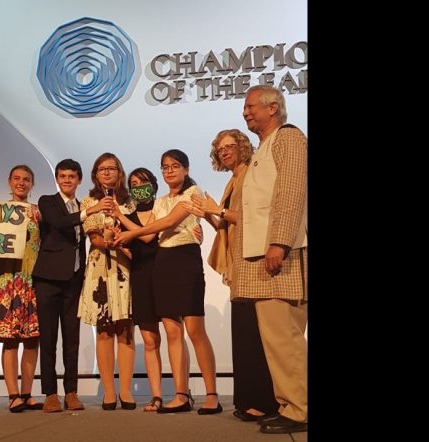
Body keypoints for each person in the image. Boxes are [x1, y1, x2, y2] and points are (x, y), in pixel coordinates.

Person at [114, 149, 222, 415]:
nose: (170, 171)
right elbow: (152, 237)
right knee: (173, 332)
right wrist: (129, 230)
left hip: (185, 261)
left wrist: (131, 232)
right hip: (163, 263)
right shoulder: (161, 200)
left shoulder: (192, 193)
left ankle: (212, 395)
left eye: (175, 166)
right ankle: (181, 395)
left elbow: (170, 221)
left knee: (195, 330)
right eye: (165, 167)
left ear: (185, 169)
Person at [191, 129, 280, 421]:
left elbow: (255, 218)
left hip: (254, 264)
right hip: (239, 264)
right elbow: (229, 225)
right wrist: (209, 216)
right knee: (243, 332)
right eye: (220, 149)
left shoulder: (252, 177)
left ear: (243, 146)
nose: (224, 151)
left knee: (255, 334)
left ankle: (263, 402)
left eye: (230, 146)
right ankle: (247, 400)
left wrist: (218, 210)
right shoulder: (232, 180)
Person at [234, 85, 308, 434]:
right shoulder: (266, 145)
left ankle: (299, 409)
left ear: (273, 108)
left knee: (285, 336)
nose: (246, 112)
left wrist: (278, 243)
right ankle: (289, 404)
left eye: (251, 107)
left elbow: (290, 192)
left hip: (282, 254)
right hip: (264, 256)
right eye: (245, 108)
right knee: (274, 337)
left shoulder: (289, 139)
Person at [31, 158, 112, 413]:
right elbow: (61, 223)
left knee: (72, 339)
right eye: (63, 176)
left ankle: (72, 392)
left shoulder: (83, 204)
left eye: (72, 176)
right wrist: (93, 210)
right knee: (48, 338)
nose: (67, 180)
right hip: (47, 279)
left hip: (74, 279)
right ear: (57, 179)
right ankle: (50, 393)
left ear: (78, 180)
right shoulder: (47, 201)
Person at [113, 168, 193, 412]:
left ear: (153, 184)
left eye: (143, 182)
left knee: (174, 333)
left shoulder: (163, 208)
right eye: (134, 183)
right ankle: (156, 395)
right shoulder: (126, 215)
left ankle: (183, 391)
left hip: (166, 276)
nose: (139, 187)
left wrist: (123, 221)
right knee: (149, 340)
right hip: (140, 278)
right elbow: (128, 247)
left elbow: (149, 238)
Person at [78, 153, 136, 411]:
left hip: (125, 267)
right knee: (103, 331)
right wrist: (107, 241)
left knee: (125, 330)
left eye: (111, 168)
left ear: (119, 172)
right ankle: (109, 392)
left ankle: (126, 391)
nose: (106, 172)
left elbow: (138, 230)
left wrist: (123, 238)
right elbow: (93, 235)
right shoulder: (90, 200)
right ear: (95, 174)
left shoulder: (130, 201)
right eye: (101, 169)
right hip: (99, 267)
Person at [0, 165, 43, 412]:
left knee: (32, 340)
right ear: (9, 182)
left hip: (33, 281)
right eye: (17, 178)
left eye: (26, 179)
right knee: (10, 341)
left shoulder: (38, 213)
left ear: (32, 184)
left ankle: (27, 392)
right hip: (7, 282)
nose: (21, 183)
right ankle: (13, 395)